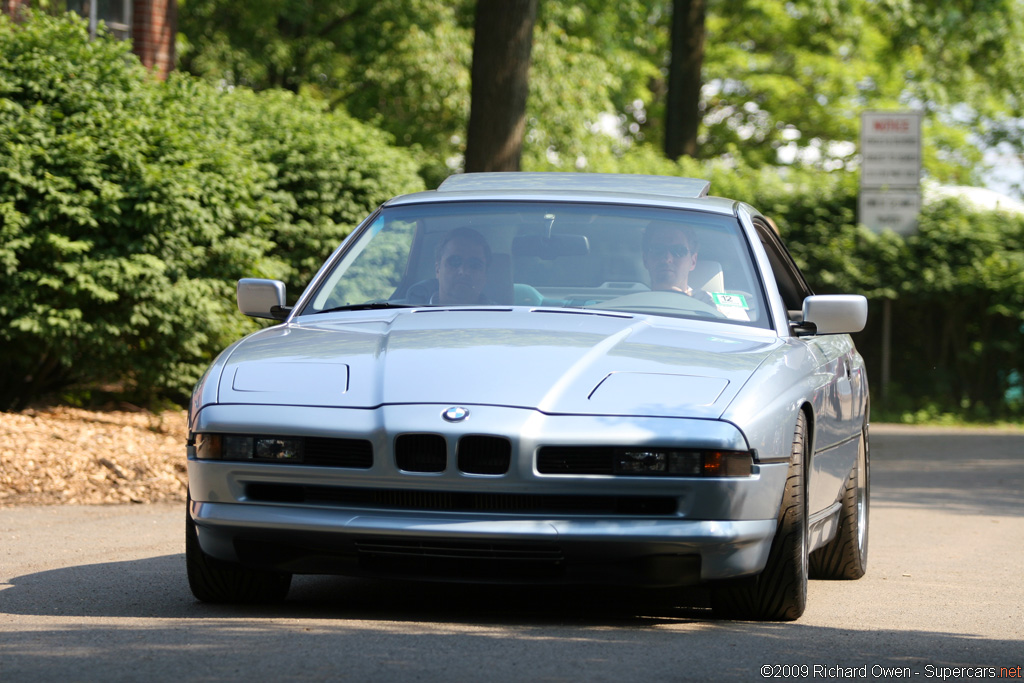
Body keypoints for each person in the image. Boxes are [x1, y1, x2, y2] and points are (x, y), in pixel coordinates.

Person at [405, 226, 492, 305]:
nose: (463, 271)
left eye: (474, 265)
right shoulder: (401, 316)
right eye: (454, 262)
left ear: (485, 275)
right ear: (437, 269)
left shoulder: (503, 319)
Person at [641, 221, 716, 308]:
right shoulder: (629, 305)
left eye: (679, 251)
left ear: (693, 261)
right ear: (645, 259)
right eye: (658, 250)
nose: (667, 259)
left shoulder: (707, 307)